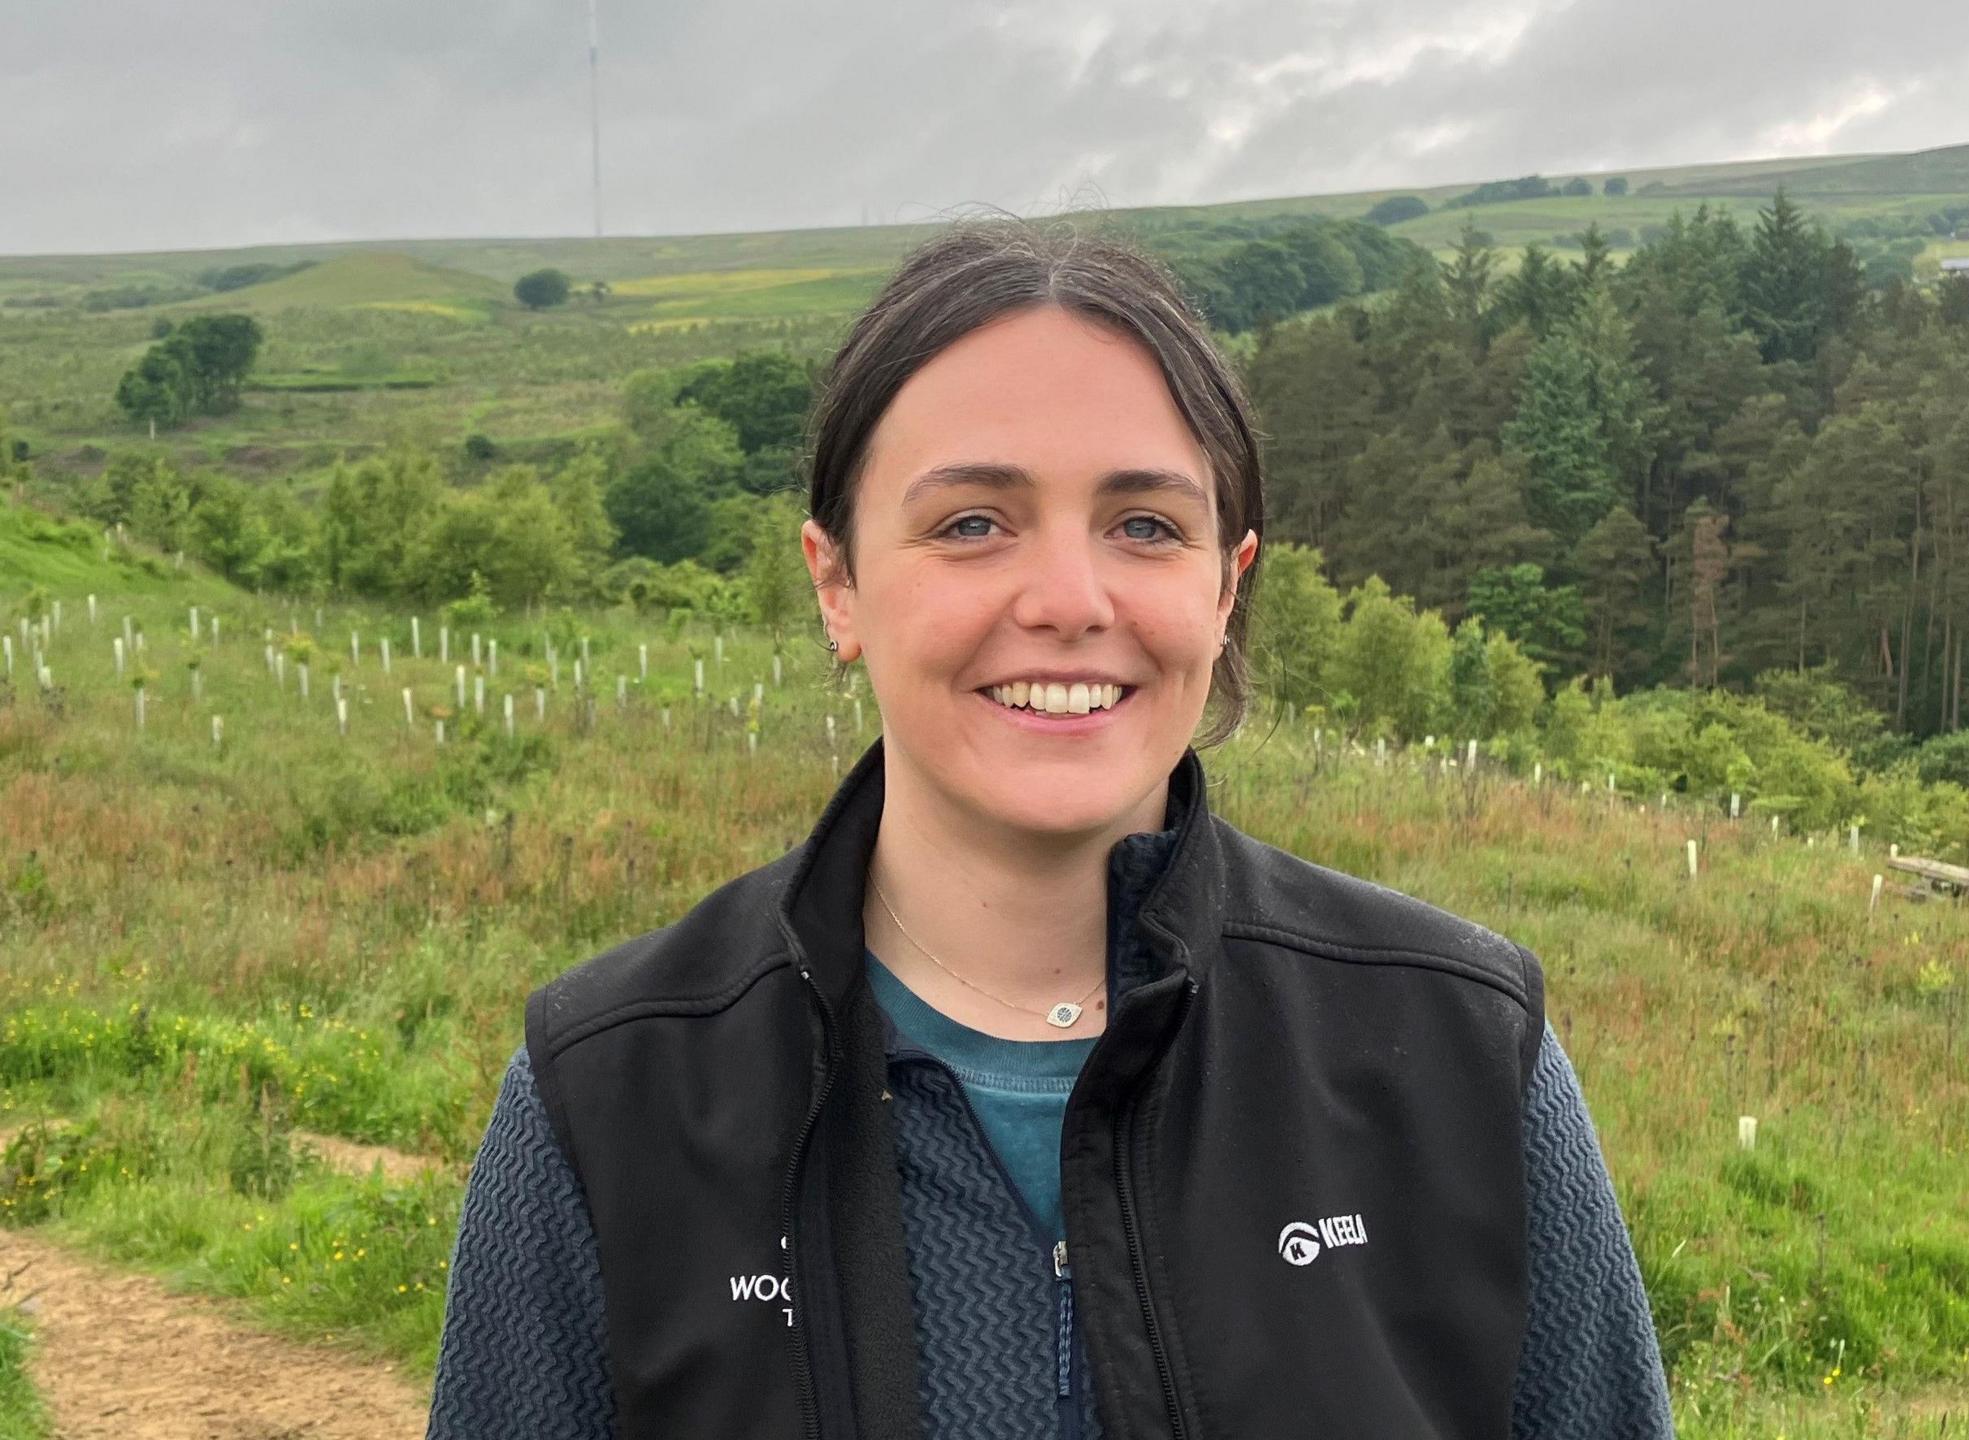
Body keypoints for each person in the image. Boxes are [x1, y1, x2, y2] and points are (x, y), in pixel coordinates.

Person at [425, 214, 1674, 1439]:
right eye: (972, 522)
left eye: (1145, 525)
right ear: (836, 582)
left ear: (1227, 587)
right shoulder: (613, 1090)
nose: (1070, 602)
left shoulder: (1457, 1047)